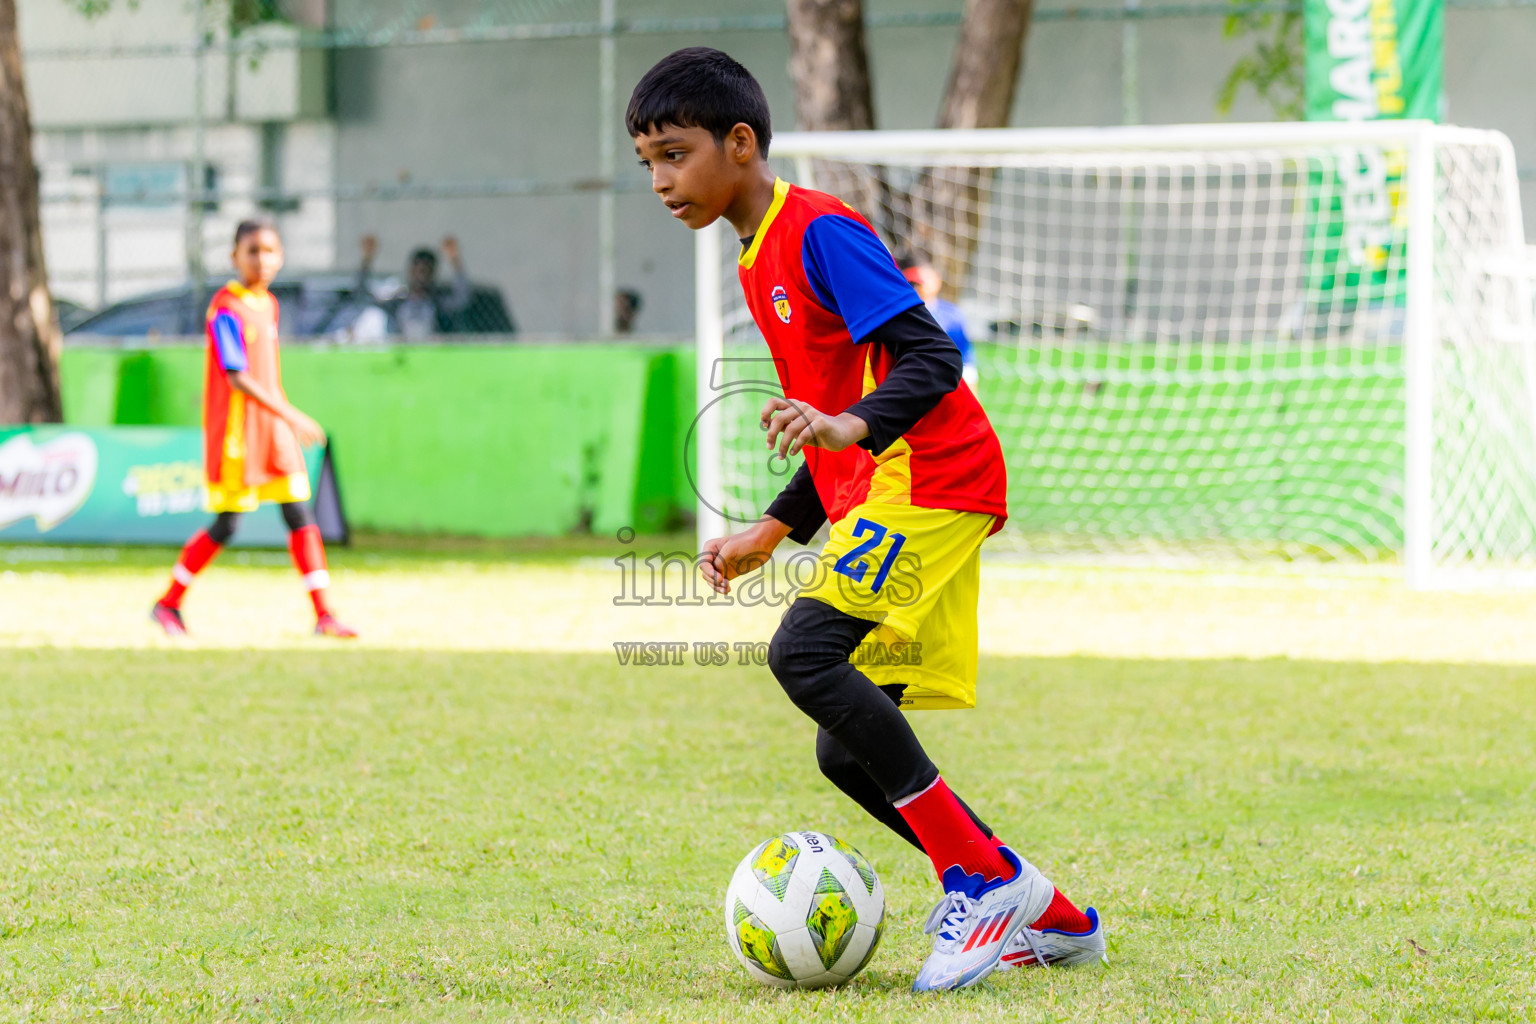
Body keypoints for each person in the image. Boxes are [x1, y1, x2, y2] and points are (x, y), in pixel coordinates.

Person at [628, 48, 1104, 992]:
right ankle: (1046, 914)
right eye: (647, 161)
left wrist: (850, 423)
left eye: (675, 154)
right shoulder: (756, 247)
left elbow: (928, 356)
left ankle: (979, 880)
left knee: (802, 655)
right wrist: (773, 525)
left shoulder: (820, 230)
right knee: (844, 746)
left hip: (933, 476)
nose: (660, 180)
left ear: (740, 142)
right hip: (885, 487)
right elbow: (826, 405)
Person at [151, 218, 356, 639]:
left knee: (300, 513)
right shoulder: (226, 307)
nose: (261, 260)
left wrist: (281, 417)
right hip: (240, 433)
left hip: (274, 431)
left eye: (269, 251)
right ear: (234, 257)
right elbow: (236, 375)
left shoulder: (270, 305)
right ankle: (167, 604)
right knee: (227, 524)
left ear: (280, 257)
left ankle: (324, 615)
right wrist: (291, 413)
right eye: (252, 251)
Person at [356, 234, 473, 338]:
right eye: (419, 270)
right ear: (411, 271)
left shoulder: (437, 303)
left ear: (433, 273)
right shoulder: (398, 302)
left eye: (426, 271)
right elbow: (363, 297)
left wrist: (455, 261)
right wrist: (366, 260)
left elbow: (462, 298)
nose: (421, 276)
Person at [899, 256, 977, 389]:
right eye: (912, 283)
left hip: (946, 382)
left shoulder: (952, 315)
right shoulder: (900, 314)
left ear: (936, 280)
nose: (917, 287)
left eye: (920, 282)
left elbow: (965, 356)